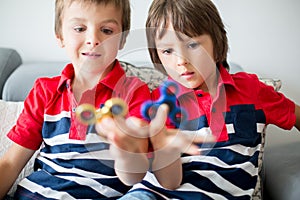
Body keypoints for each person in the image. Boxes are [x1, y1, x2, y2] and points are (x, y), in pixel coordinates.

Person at [119, 0, 300, 199]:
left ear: (216, 40)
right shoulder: (161, 105)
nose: (181, 61)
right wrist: (163, 147)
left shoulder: (252, 90)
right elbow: (169, 183)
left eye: (192, 44)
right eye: (167, 51)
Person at [0, 0, 152, 199]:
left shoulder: (134, 92)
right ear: (60, 36)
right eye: (80, 28)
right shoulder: (45, 91)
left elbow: (136, 174)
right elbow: (11, 163)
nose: (93, 39)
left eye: (106, 30)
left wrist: (124, 144)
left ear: (122, 40)